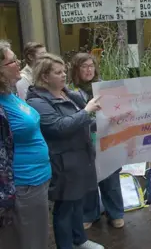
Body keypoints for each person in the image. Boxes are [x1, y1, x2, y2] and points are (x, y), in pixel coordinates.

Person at [25, 53, 104, 249]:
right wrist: (87, 111)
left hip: (80, 157)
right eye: (58, 72)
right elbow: (59, 127)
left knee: (77, 202)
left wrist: (100, 123)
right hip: (63, 162)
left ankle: (80, 240)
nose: (63, 76)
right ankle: (65, 245)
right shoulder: (37, 101)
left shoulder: (66, 92)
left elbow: (80, 122)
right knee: (64, 208)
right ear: (44, 77)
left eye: (64, 71)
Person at [0, 41, 51, 249]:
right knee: (30, 242)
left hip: (37, 179)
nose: (18, 63)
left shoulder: (10, 94)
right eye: (12, 61)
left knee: (38, 237)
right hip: (23, 184)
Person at [67, 53, 125, 229]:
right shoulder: (69, 90)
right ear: (76, 69)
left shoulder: (104, 87)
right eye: (84, 66)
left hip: (107, 138)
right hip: (84, 141)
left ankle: (115, 213)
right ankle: (90, 213)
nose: (89, 69)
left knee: (111, 178)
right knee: (88, 179)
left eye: (91, 65)